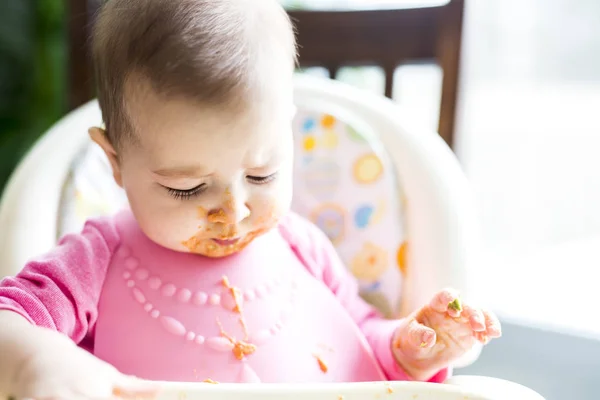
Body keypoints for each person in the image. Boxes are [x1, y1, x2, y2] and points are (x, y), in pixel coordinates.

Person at [0, 0, 501, 398]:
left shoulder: (302, 245)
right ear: (115, 162)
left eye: (262, 174)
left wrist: (409, 351)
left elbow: (357, 341)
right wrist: (34, 358)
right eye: (187, 188)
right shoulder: (92, 262)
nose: (233, 211)